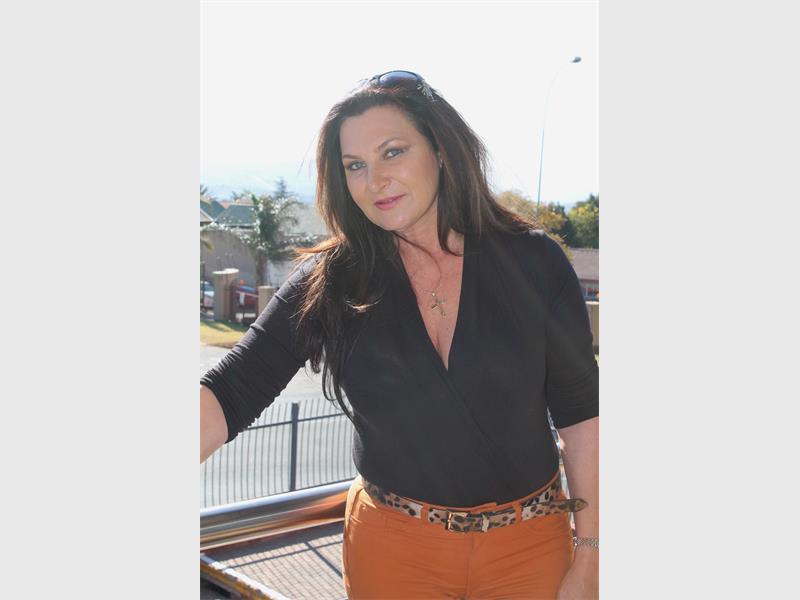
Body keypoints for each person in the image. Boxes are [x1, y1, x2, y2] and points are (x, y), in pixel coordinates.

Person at [200, 70, 599, 599]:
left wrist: (592, 553)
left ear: (440, 150)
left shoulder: (535, 263)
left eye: (393, 152)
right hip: (394, 551)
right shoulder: (331, 282)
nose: (375, 180)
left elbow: (582, 416)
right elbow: (230, 392)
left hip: (530, 548)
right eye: (355, 166)